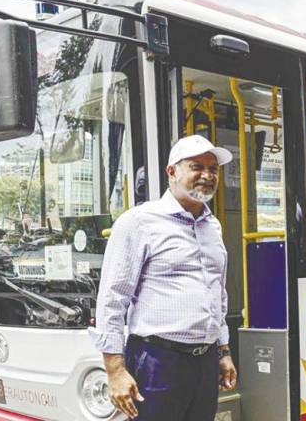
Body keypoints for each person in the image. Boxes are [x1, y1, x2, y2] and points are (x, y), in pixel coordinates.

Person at [91, 134, 237, 421]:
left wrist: (223, 351)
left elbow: (217, 294)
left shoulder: (213, 226)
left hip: (205, 361)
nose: (207, 176)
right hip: (157, 362)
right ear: (172, 171)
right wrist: (115, 371)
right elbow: (112, 298)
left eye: (213, 169)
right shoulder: (139, 222)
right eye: (197, 167)